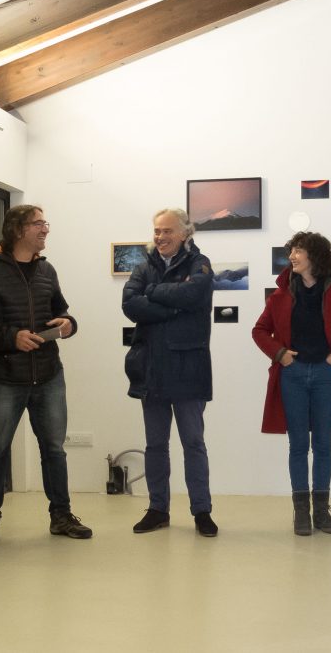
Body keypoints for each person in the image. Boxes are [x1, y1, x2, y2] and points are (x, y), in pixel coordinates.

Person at [0, 204, 91, 547]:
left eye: (45, 223)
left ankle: (61, 516)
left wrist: (69, 323)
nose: (45, 229)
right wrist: (11, 337)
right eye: (38, 223)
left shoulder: (47, 269)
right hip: (4, 377)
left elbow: (61, 310)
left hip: (48, 376)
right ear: (18, 229)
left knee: (54, 450)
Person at [252, 232, 331, 535]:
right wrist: (280, 354)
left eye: (298, 250)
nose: (292, 256)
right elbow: (259, 330)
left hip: (327, 376)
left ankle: (322, 513)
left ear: (315, 255)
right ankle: (301, 513)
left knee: (323, 445)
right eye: (291, 251)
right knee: (299, 445)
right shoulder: (281, 295)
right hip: (293, 376)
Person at [122, 208, 217, 537]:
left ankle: (202, 511)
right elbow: (130, 304)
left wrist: (153, 292)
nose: (160, 237)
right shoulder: (143, 267)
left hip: (189, 369)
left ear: (185, 233)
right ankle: (158, 509)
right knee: (155, 445)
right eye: (157, 231)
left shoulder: (200, 264)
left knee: (193, 443)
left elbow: (194, 294)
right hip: (151, 369)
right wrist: (175, 306)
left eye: (167, 231)